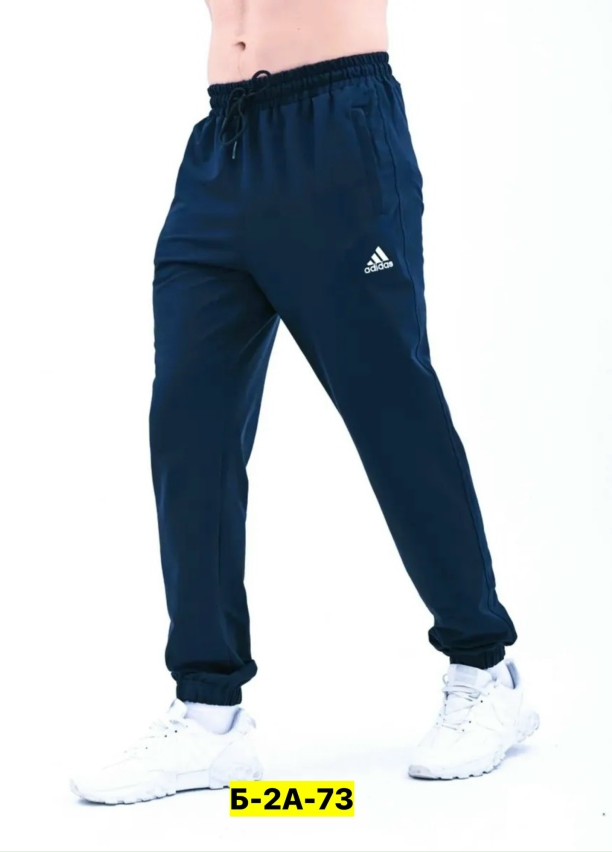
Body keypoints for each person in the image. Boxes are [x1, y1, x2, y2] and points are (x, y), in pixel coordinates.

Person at [71, 0, 539, 805]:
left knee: (390, 412)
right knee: (189, 427)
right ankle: (209, 713)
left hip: (338, 135)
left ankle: (485, 670)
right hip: (222, 147)